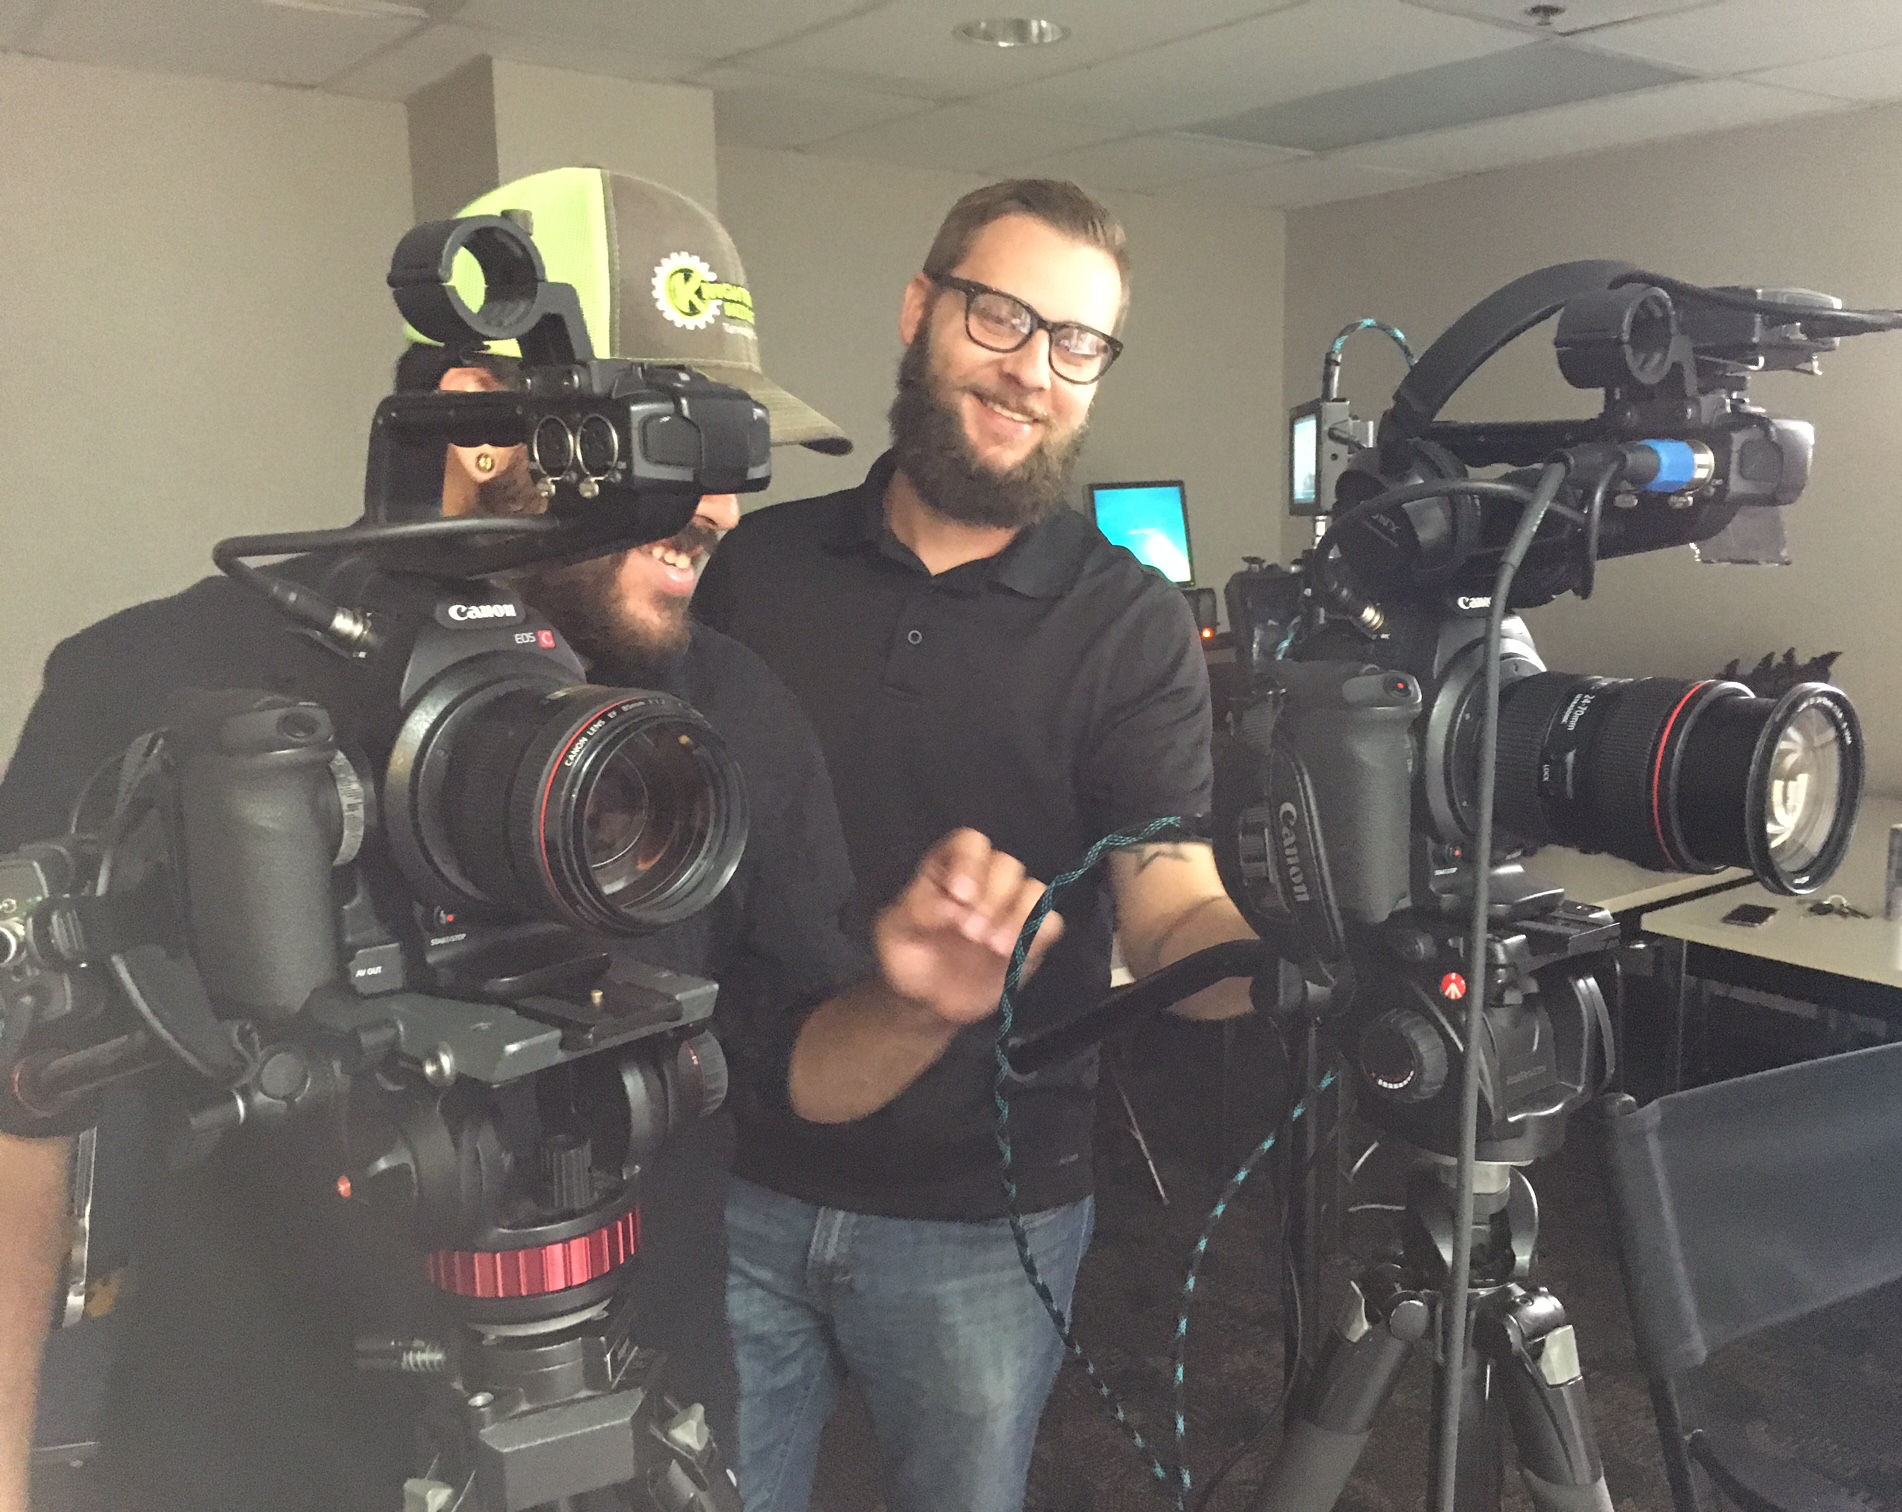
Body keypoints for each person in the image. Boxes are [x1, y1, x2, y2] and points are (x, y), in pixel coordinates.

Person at [0, 167, 1064, 1512]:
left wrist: (915, 1012)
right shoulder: (151, 691)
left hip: (640, 1435)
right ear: (481, 426)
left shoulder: (725, 714)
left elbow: (794, 1062)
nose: (722, 508)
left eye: (735, 458)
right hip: (255, 1453)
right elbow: (20, 1111)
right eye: (671, 448)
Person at [690, 178, 1258, 1512]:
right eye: (1001, 316)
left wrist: (1275, 953)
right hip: (732, 1168)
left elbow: (1171, 902)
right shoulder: (750, 572)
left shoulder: (1130, 625)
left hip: (984, 1214)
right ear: (920, 310)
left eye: (1077, 342)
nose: (1033, 370)